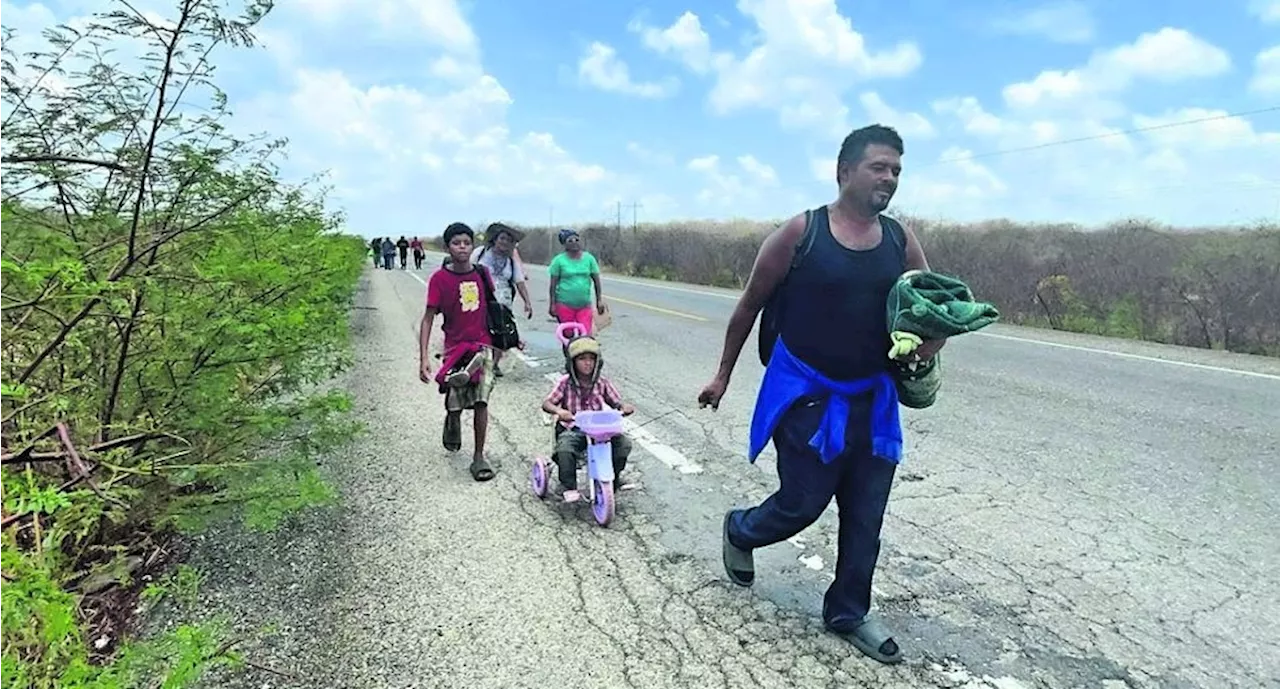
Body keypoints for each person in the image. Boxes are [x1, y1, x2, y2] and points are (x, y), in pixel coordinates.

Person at [696, 124, 945, 666]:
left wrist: (932, 340)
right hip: (806, 394)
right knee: (802, 503)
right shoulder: (801, 233)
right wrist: (722, 376)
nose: (889, 178)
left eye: (897, 170)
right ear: (844, 171)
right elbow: (748, 306)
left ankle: (848, 611)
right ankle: (741, 528)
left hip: (872, 400)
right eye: (879, 167)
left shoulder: (901, 240)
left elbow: (932, 305)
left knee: (866, 514)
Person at [419, 222, 498, 482]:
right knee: (456, 400)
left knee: (481, 401)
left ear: (472, 246)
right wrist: (423, 359)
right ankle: (452, 417)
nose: (462, 247)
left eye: (466, 242)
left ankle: (478, 457)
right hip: (455, 349)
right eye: (456, 243)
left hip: (483, 347)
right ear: (448, 247)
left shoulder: (482, 274)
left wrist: (507, 340)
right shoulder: (439, 280)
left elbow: (494, 309)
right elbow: (428, 318)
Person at [540, 334, 635, 503]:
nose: (587, 363)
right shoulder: (565, 383)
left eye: (591, 359)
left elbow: (615, 401)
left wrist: (623, 407)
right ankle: (567, 485)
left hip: (599, 431)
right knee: (565, 449)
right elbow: (547, 403)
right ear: (573, 362)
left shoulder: (601, 382)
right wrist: (559, 411)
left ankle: (614, 477)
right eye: (582, 359)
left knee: (623, 444)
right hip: (573, 428)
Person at [473, 222, 534, 376]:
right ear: (495, 239)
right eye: (502, 238)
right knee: (479, 331)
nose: (504, 242)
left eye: (509, 240)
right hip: (480, 298)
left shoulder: (511, 262)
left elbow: (519, 281)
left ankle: (494, 364)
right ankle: (477, 362)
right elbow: (467, 268)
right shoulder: (480, 253)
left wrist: (527, 302)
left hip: (502, 302)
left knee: (500, 333)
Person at [547, 228, 606, 335]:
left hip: (584, 305)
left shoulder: (589, 259)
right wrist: (552, 304)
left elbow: (596, 281)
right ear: (564, 244)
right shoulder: (558, 261)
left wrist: (599, 301)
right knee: (567, 335)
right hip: (564, 304)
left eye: (576, 240)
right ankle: (568, 352)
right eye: (570, 241)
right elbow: (553, 285)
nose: (574, 243)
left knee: (585, 334)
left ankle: (582, 352)